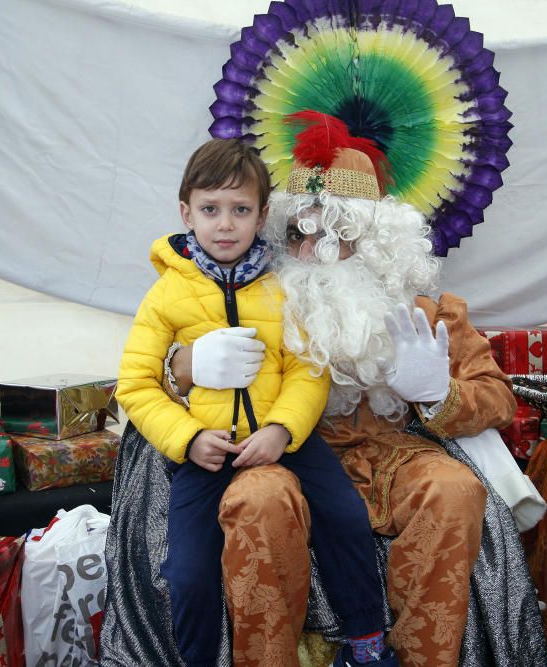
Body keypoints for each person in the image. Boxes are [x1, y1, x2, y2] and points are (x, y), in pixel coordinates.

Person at [160, 113, 546, 666]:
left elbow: (497, 398)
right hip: (280, 453)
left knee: (454, 489)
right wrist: (188, 364)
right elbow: (150, 379)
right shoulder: (243, 297)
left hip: (391, 455)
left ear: (374, 243)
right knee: (256, 499)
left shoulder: (425, 312)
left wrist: (438, 392)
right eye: (298, 233)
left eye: (335, 233)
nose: (312, 249)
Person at [114, 137, 397, 667]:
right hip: (207, 451)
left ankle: (366, 640)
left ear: (262, 215)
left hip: (283, 440)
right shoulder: (166, 294)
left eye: (240, 210)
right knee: (187, 570)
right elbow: (135, 383)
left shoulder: (281, 286)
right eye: (211, 209)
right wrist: (189, 438)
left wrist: (282, 430)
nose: (225, 224)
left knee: (345, 517)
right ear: (186, 212)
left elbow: (306, 369)